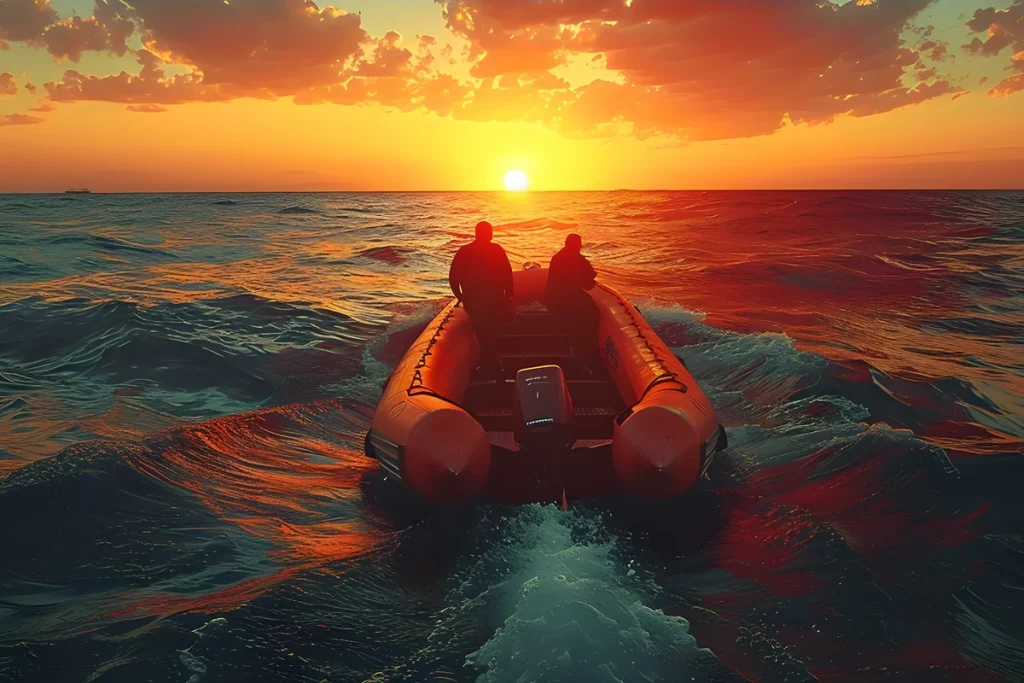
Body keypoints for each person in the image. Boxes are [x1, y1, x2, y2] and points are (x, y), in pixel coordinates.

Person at [449, 221, 514, 377]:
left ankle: (489, 362)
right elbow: (507, 274)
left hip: (475, 300)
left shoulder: (465, 251)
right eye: (489, 231)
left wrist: (460, 296)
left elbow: (453, 277)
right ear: (487, 233)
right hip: (491, 300)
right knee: (489, 331)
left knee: (483, 331)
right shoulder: (495, 250)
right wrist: (509, 296)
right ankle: (492, 362)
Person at [546, 233, 600, 369]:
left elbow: (551, 282)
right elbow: (589, 284)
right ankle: (589, 351)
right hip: (570, 298)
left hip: (555, 298)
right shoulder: (580, 260)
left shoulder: (556, 257)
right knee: (594, 314)